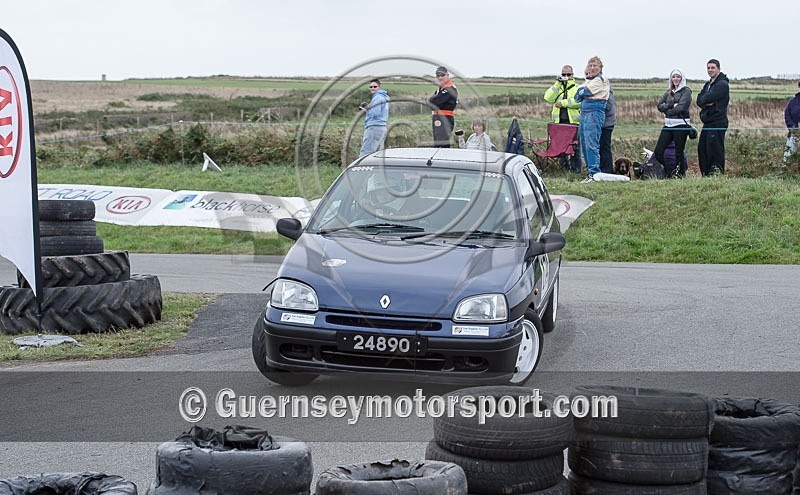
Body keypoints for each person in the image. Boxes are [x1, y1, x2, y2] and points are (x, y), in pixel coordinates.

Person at [574, 56, 610, 182]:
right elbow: (576, 96)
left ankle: (594, 173)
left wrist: (581, 91)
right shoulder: (589, 80)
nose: (592, 68)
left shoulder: (600, 80)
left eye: (595, 65)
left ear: (600, 68)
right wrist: (581, 91)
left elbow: (585, 92)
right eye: (590, 65)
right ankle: (590, 172)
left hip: (594, 113)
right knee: (584, 144)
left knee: (591, 144)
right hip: (584, 114)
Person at [654, 69, 693, 178]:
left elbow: (682, 107)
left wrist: (667, 110)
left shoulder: (686, 91)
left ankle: (680, 175)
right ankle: (669, 173)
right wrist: (670, 105)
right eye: (674, 77)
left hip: (681, 124)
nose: (676, 79)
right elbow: (659, 106)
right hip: (668, 124)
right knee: (658, 151)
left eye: (678, 77)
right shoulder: (668, 92)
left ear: (682, 78)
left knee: (678, 153)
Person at [543, 65, 581, 172]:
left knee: (575, 148)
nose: (566, 77)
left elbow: (579, 101)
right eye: (563, 74)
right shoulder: (557, 87)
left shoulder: (578, 88)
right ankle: (564, 169)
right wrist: (557, 83)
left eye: (568, 75)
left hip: (573, 122)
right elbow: (548, 98)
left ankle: (575, 171)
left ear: (572, 75)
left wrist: (563, 103)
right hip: (559, 123)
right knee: (560, 147)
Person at [696, 59, 730, 176]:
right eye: (708, 68)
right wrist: (706, 102)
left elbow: (705, 99)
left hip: (717, 122)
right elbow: (699, 99)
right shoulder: (708, 84)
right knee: (702, 149)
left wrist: (706, 101)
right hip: (707, 122)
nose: (710, 70)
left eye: (712, 68)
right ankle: (705, 175)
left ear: (719, 69)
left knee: (714, 150)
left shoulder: (722, 84)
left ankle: (716, 175)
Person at [358, 79, 390, 157]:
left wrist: (366, 109)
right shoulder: (384, 97)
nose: (372, 88)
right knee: (378, 156)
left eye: (375, 86)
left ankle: (361, 169)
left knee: (365, 154)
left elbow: (375, 113)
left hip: (374, 128)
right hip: (381, 128)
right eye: (371, 86)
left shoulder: (377, 97)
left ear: (379, 87)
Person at [429, 66, 459, 147]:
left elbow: (435, 102)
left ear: (447, 76)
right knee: (438, 143)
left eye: (442, 75)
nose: (440, 77)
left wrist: (432, 100)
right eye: (438, 76)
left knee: (442, 144)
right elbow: (431, 103)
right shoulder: (440, 89)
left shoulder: (450, 88)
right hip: (438, 117)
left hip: (445, 118)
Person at [600, 86, 617, 174]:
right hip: (598, 124)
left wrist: (593, 103)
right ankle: (600, 168)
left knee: (604, 147)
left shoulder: (606, 89)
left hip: (607, 124)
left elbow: (608, 105)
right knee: (599, 147)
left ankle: (607, 170)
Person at [783, 80, 800, 164]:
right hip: (794, 135)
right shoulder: (792, 102)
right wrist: (794, 130)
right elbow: (787, 116)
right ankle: (787, 174)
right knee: (788, 158)